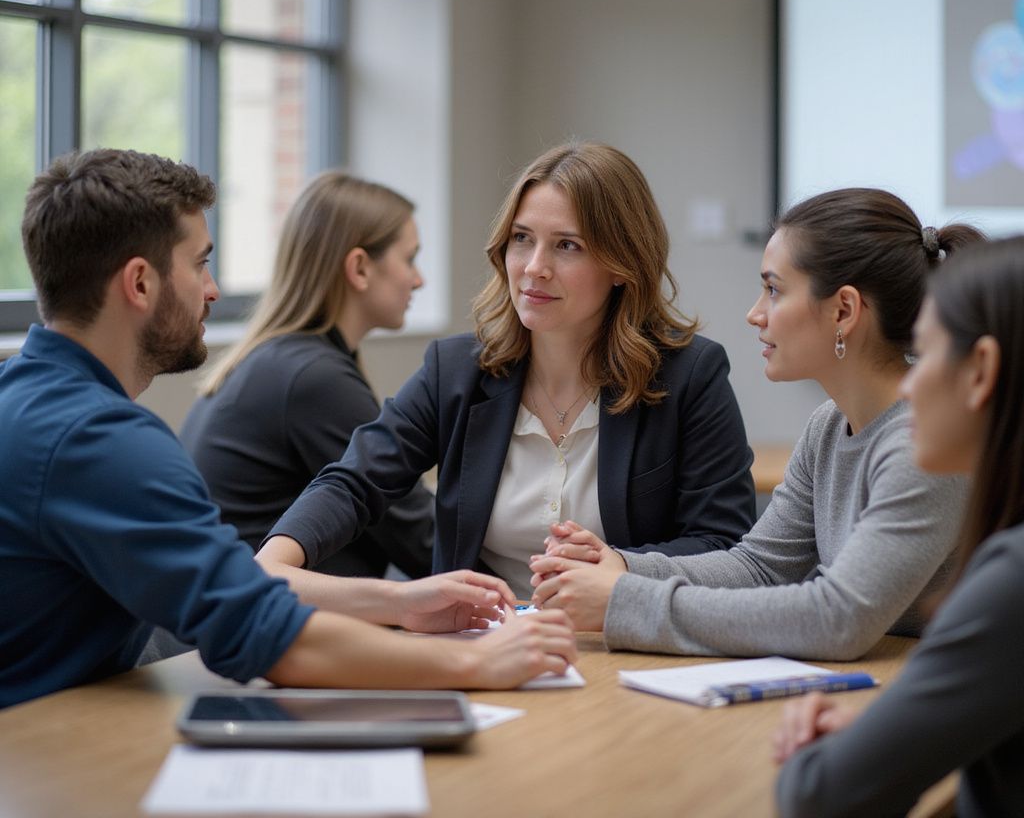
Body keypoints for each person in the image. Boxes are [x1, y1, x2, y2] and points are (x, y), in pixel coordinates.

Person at [0, 148, 576, 709]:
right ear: (141, 284)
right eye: (200, 262)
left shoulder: (22, 395)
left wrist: (398, 602)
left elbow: (248, 596)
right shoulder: (100, 440)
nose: (213, 289)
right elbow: (262, 632)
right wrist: (475, 663)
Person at [257, 142, 756, 602]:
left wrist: (622, 566)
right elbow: (354, 483)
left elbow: (725, 546)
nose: (534, 267)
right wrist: (276, 557)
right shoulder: (454, 371)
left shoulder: (691, 375)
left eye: (568, 246)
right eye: (522, 239)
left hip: (629, 648)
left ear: (622, 265)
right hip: (486, 647)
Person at [530, 188, 982, 660]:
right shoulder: (828, 426)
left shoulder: (925, 442)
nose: (754, 314)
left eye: (774, 290)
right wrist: (620, 566)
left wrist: (622, 600)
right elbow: (761, 567)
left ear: (844, 311)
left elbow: (839, 619)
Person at [774, 236, 1024, 818]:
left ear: (981, 370)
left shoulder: (1012, 580)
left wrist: (829, 756)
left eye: (926, 354)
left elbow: (821, 797)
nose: (907, 387)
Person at [181, 172, 435, 580]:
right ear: (359, 268)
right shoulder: (314, 378)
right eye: (409, 259)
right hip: (253, 627)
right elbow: (423, 543)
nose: (418, 279)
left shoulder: (284, 360)